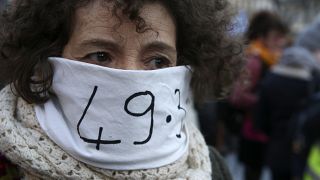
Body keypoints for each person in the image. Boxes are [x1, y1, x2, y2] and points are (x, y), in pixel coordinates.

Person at [0, 0, 243, 179]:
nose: (131, 77)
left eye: (158, 61)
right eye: (100, 55)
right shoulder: (8, 165)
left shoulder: (212, 167)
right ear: (46, 60)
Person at [229, 10, 289, 180]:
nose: (280, 41)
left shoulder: (273, 58)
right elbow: (237, 96)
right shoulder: (254, 61)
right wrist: (265, 102)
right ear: (262, 37)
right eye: (276, 36)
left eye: (281, 36)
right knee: (253, 174)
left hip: (265, 129)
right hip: (253, 131)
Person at [256, 47, 319, 180]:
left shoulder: (270, 80)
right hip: (304, 150)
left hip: (276, 147)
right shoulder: (311, 82)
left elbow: (260, 120)